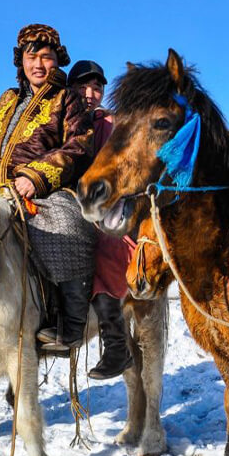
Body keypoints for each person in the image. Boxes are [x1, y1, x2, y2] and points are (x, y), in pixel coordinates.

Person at [0, 24, 96, 356]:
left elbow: (79, 145)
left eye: (47, 57)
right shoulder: (7, 99)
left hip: (42, 190)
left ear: (58, 61)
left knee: (65, 225)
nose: (39, 64)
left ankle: (70, 324)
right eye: (32, 57)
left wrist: (35, 176)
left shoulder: (67, 98)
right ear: (21, 62)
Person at [67, 60, 135, 379]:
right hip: (66, 200)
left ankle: (117, 344)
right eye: (83, 87)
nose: (91, 94)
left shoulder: (111, 124)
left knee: (107, 250)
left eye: (96, 88)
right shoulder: (60, 118)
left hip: (108, 207)